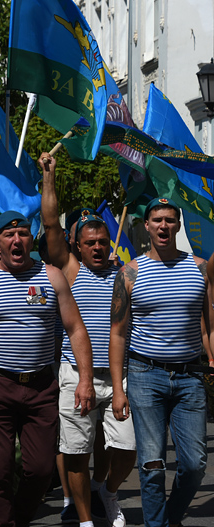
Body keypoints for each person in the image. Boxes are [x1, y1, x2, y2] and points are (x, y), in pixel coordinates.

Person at [0, 210, 95, 527]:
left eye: (23, 234)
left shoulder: (51, 276)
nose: (17, 240)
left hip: (41, 387)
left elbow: (76, 329)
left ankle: (16, 519)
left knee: (41, 470)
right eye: (9, 235)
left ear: (31, 240)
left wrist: (86, 380)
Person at [40, 153, 135, 527]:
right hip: (73, 374)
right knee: (76, 451)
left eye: (102, 241)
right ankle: (83, 519)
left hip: (117, 376)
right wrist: (49, 176)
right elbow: (50, 223)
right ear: (77, 246)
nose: (97, 247)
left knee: (126, 449)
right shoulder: (70, 268)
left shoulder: (123, 273)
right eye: (90, 242)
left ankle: (105, 491)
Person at [110, 198, 214, 527]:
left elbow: (209, 326)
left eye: (170, 220)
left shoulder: (198, 269)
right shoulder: (130, 272)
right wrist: (118, 388)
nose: (163, 226)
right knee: (152, 465)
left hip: (189, 377)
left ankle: (169, 518)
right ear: (147, 226)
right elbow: (118, 333)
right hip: (145, 375)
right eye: (157, 220)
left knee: (196, 464)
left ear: (178, 226)